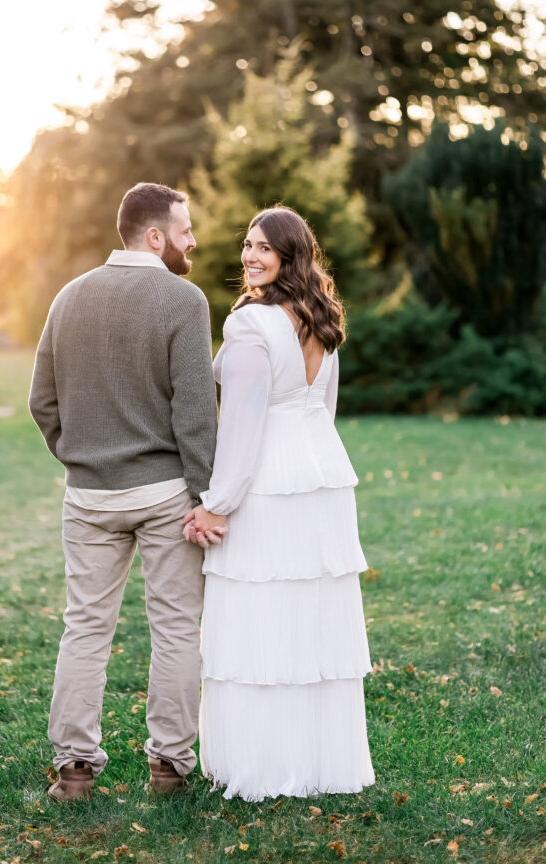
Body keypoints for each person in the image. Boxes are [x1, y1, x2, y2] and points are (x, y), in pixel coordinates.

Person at [29, 182, 222, 801]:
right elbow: (196, 414)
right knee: (174, 628)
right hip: (165, 491)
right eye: (185, 229)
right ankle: (169, 767)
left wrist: (81, 458)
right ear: (156, 235)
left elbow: (42, 402)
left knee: (84, 628)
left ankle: (74, 772)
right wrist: (206, 496)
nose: (194, 240)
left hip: (88, 498)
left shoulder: (69, 296)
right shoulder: (183, 300)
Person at [183, 205, 374, 801]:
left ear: (291, 256)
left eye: (264, 247)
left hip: (270, 480)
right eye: (247, 243)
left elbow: (240, 426)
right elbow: (324, 409)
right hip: (321, 477)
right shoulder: (320, 318)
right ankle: (315, 763)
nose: (249, 255)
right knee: (306, 621)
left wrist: (218, 503)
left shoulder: (250, 325)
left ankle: (263, 767)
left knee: (262, 619)